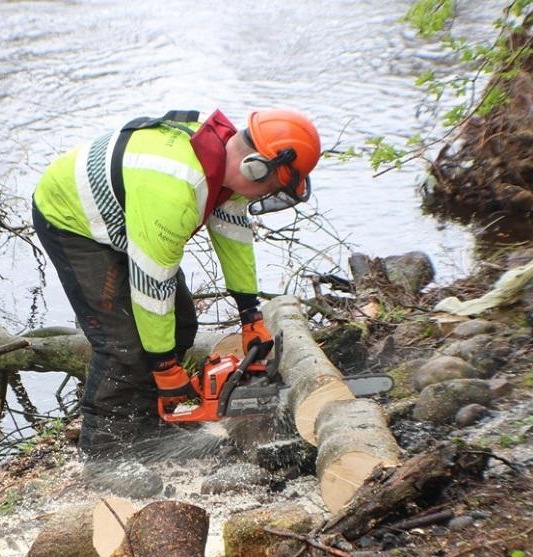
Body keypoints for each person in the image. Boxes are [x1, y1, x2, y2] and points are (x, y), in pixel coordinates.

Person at [32, 108, 321, 460]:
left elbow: (233, 236)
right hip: (73, 219)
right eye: (272, 187)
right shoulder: (176, 190)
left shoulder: (221, 160)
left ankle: (149, 427)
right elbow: (152, 289)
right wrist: (164, 365)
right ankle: (105, 456)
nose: (267, 194)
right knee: (123, 346)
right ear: (255, 167)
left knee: (182, 323)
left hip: (132, 215)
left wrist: (250, 314)